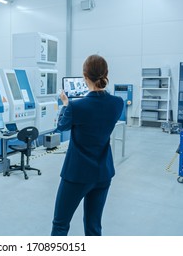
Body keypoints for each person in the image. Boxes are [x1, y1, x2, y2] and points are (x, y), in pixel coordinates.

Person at [51, 54, 124, 236]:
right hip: (103, 174)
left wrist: (66, 104)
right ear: (106, 74)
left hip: (77, 174)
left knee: (60, 225)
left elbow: (61, 126)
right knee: (93, 226)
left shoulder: (77, 107)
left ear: (85, 78)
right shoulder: (117, 103)